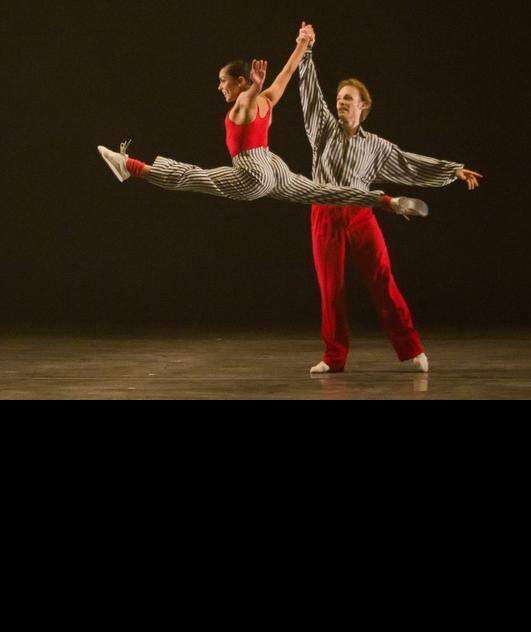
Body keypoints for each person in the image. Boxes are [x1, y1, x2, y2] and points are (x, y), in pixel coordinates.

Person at [296, 23, 483, 374]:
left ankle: (411, 349)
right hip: (324, 213)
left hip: (361, 215)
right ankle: (333, 357)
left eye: (347, 97)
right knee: (330, 290)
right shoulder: (322, 130)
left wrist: (452, 171)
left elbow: (409, 163)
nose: (340, 101)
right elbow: (309, 95)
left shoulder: (377, 146)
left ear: (363, 105)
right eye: (339, 97)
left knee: (382, 281)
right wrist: (306, 51)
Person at [96, 24, 427, 218]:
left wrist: (253, 85)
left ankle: (130, 166)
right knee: (325, 191)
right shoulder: (267, 100)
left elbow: (246, 100)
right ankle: (388, 201)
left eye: (223, 81)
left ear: (239, 81)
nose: (219, 87)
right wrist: (303, 44)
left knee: (192, 177)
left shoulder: (246, 100)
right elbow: (284, 75)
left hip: (252, 173)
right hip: (274, 166)